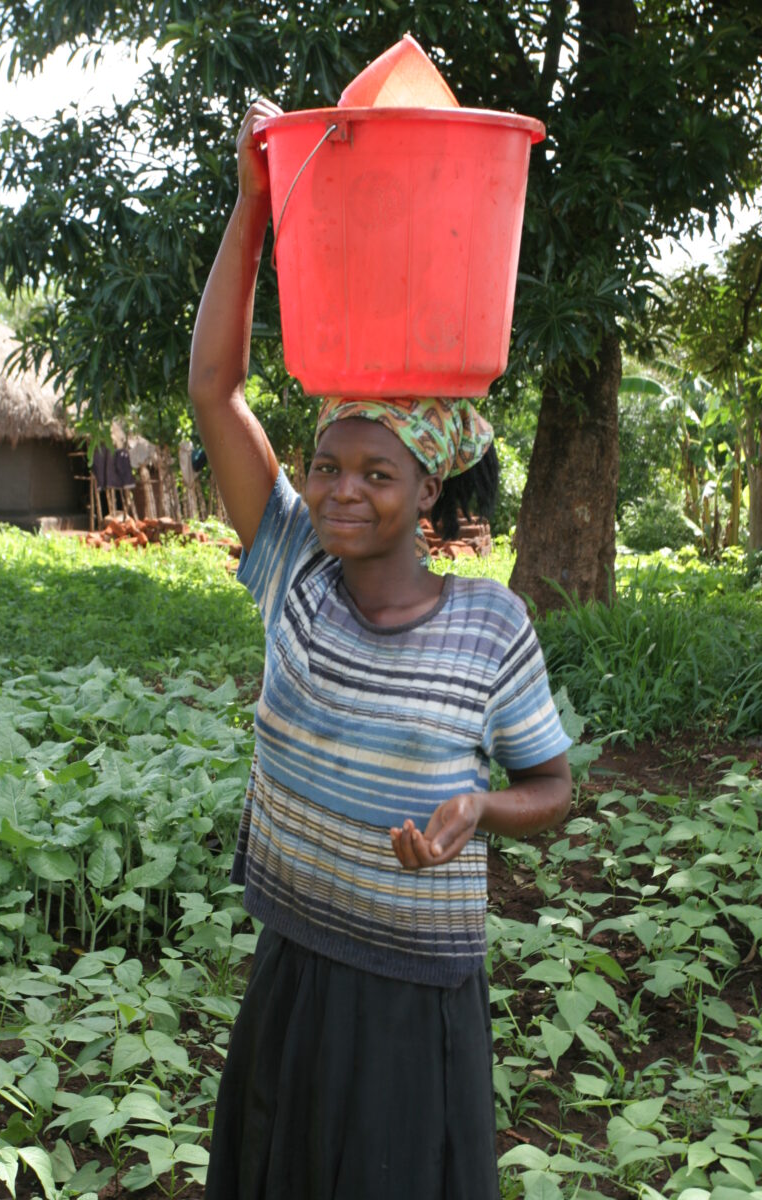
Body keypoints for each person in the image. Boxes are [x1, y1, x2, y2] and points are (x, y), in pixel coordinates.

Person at [189, 98, 573, 1200]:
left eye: (376, 473)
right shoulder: (293, 570)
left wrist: (478, 812)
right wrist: (256, 199)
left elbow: (549, 787)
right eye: (327, 466)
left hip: (415, 984)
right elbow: (214, 388)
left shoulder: (488, 626)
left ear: (426, 490)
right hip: (297, 955)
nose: (340, 492)